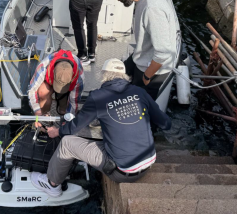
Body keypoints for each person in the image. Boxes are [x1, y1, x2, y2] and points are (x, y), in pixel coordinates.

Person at [30, 58, 171, 196]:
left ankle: (52, 184)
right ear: (124, 75)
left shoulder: (98, 97)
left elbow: (75, 127)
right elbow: (166, 123)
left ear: (104, 75)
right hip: (149, 161)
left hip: (123, 172)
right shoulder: (140, 92)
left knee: (67, 143)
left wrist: (58, 131)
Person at [107, 0, 177, 100]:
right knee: (117, 76)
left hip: (153, 70)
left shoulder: (152, 8)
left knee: (137, 105)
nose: (118, 0)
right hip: (141, 57)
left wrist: (147, 76)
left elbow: (163, 53)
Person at [27, 49, 83, 124]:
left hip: (68, 88)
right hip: (49, 82)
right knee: (43, 92)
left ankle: (62, 111)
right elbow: (32, 91)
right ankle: (45, 115)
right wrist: (37, 111)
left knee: (64, 111)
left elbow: (74, 101)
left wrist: (69, 117)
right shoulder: (43, 67)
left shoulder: (79, 76)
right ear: (53, 71)